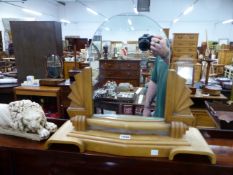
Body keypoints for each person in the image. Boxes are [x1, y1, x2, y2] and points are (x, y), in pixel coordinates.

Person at [143, 35, 170, 118]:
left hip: (173, 118)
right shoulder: (160, 51)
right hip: (158, 115)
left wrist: (167, 56)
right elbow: (154, 81)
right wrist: (147, 107)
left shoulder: (167, 50)